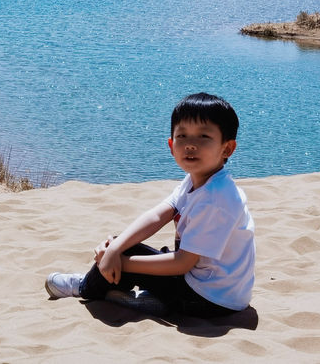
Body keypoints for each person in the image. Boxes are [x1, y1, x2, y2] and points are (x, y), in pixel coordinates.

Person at [45, 92, 255, 318]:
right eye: (182, 136)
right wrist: (115, 249)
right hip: (211, 288)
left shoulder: (216, 198)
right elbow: (158, 215)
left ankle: (86, 287)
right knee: (122, 245)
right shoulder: (199, 179)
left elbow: (182, 263)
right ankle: (138, 293)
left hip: (210, 300)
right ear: (171, 144)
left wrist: (122, 261)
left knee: (127, 255)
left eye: (203, 136)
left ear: (227, 149)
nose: (190, 145)